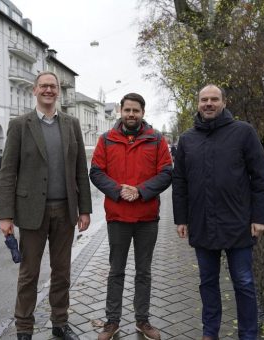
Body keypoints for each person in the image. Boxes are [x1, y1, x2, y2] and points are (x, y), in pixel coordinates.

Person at [172, 85, 264, 340]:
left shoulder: (243, 132)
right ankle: (210, 333)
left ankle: (248, 335)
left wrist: (260, 217)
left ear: (224, 102)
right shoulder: (187, 139)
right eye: (204, 99)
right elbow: (180, 182)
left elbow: (260, 176)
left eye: (214, 99)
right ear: (197, 104)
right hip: (202, 223)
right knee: (207, 283)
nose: (208, 103)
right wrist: (180, 218)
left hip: (237, 221)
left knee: (244, 283)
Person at [0, 71, 92, 340]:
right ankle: (24, 329)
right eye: (44, 86)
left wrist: (84, 209)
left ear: (58, 92)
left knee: (62, 272)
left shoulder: (71, 124)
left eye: (53, 86)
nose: (49, 90)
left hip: (65, 211)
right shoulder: (20, 125)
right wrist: (5, 216)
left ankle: (59, 323)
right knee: (29, 275)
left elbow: (79, 171)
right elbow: (7, 173)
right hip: (30, 213)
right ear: (35, 91)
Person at [90, 93, 172, 340]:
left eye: (136, 110)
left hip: (147, 217)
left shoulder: (157, 140)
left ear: (143, 113)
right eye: (127, 110)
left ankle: (142, 321)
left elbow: (167, 173)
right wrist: (118, 191)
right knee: (116, 271)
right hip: (118, 217)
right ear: (121, 112)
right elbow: (96, 172)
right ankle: (112, 321)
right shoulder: (106, 140)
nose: (131, 114)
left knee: (144, 271)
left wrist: (140, 191)